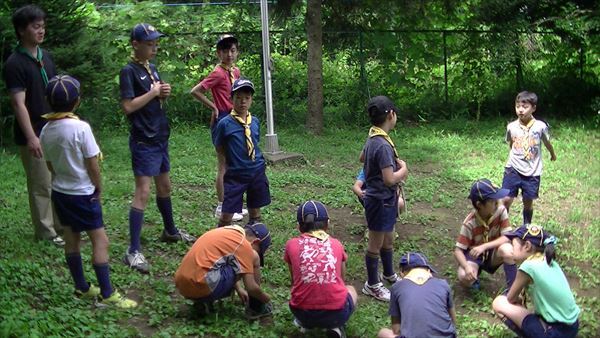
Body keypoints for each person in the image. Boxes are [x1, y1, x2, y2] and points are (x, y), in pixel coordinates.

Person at [40, 75, 137, 308]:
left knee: (71, 238)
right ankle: (107, 293)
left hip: (60, 193)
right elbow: (92, 163)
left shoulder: (45, 130)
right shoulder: (81, 128)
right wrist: (98, 185)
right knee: (100, 240)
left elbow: (50, 165)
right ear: (77, 101)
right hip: (83, 193)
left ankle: (81, 287)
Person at [119, 23, 196, 274]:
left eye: (155, 44)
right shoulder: (128, 71)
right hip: (144, 139)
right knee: (143, 191)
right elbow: (129, 106)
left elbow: (155, 95)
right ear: (135, 45)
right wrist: (153, 92)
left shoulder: (151, 68)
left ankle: (170, 231)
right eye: (149, 44)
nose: (154, 48)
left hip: (160, 136)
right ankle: (132, 250)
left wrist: (163, 92)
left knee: (165, 186)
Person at [3, 4, 63, 246]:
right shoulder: (15, 63)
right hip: (35, 132)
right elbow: (18, 104)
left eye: (43, 26)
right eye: (36, 27)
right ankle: (46, 232)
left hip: (54, 128)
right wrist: (31, 137)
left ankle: (62, 225)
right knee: (41, 184)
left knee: (59, 180)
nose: (41, 31)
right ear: (21, 30)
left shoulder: (45, 56)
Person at [190, 34, 245, 222]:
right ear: (218, 53)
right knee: (223, 164)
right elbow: (195, 91)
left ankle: (234, 204)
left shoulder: (235, 72)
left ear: (237, 51)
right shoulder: (218, 73)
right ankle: (222, 206)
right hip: (222, 120)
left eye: (232, 50)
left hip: (235, 119)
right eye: (224, 51)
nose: (229, 54)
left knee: (235, 163)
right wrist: (213, 107)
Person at [285, 201, 358, 338]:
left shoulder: (291, 245)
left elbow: (294, 279)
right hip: (336, 312)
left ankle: (305, 324)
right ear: (327, 224)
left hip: (301, 311)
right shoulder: (336, 244)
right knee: (351, 290)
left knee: (300, 289)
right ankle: (336, 326)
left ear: (298, 226)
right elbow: (341, 280)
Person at [492, 224, 580, 338]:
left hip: (555, 333)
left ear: (527, 246)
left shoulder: (528, 266)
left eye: (513, 245)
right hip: (572, 327)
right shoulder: (548, 260)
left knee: (499, 302)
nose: (512, 250)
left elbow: (511, 298)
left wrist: (517, 299)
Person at [360, 96, 408, 301]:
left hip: (384, 199)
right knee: (375, 242)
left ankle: (388, 273)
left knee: (388, 238)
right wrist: (403, 170)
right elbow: (389, 179)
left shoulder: (373, 138)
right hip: (380, 199)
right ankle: (372, 284)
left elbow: (362, 158)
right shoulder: (382, 145)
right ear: (391, 115)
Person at [174, 223, 273, 320]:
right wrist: (266, 299)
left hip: (182, 284)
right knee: (254, 257)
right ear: (256, 242)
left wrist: (238, 288)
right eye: (259, 250)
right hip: (202, 284)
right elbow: (251, 288)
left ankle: (202, 301)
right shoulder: (245, 245)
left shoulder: (229, 231)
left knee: (230, 262)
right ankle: (256, 307)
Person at [213, 78, 271, 228]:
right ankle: (220, 239)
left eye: (247, 98)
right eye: (238, 98)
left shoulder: (255, 121)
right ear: (231, 99)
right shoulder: (225, 123)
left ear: (251, 100)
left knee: (255, 208)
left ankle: (254, 235)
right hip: (236, 174)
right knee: (227, 213)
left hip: (256, 171)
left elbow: (255, 141)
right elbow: (219, 146)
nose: (242, 102)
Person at [501, 91, 557, 225]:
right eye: (518, 106)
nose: (520, 110)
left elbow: (547, 142)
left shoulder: (540, 127)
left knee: (527, 202)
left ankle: (526, 228)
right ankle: (502, 227)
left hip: (532, 172)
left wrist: (552, 154)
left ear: (534, 108)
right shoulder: (511, 127)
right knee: (506, 200)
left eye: (525, 107)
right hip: (512, 169)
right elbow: (511, 143)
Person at [454, 178, 517, 291]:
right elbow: (458, 250)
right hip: (474, 256)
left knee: (508, 249)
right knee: (463, 275)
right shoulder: (469, 223)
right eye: (492, 201)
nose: (497, 202)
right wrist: (466, 266)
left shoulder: (501, 210)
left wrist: (484, 246)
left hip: (493, 253)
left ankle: (513, 288)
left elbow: (507, 237)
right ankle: (474, 280)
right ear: (479, 205)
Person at [377, 252, 456, 338]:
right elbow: (452, 319)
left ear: (402, 273)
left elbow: (396, 329)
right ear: (428, 270)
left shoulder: (397, 287)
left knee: (383, 333)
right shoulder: (443, 284)